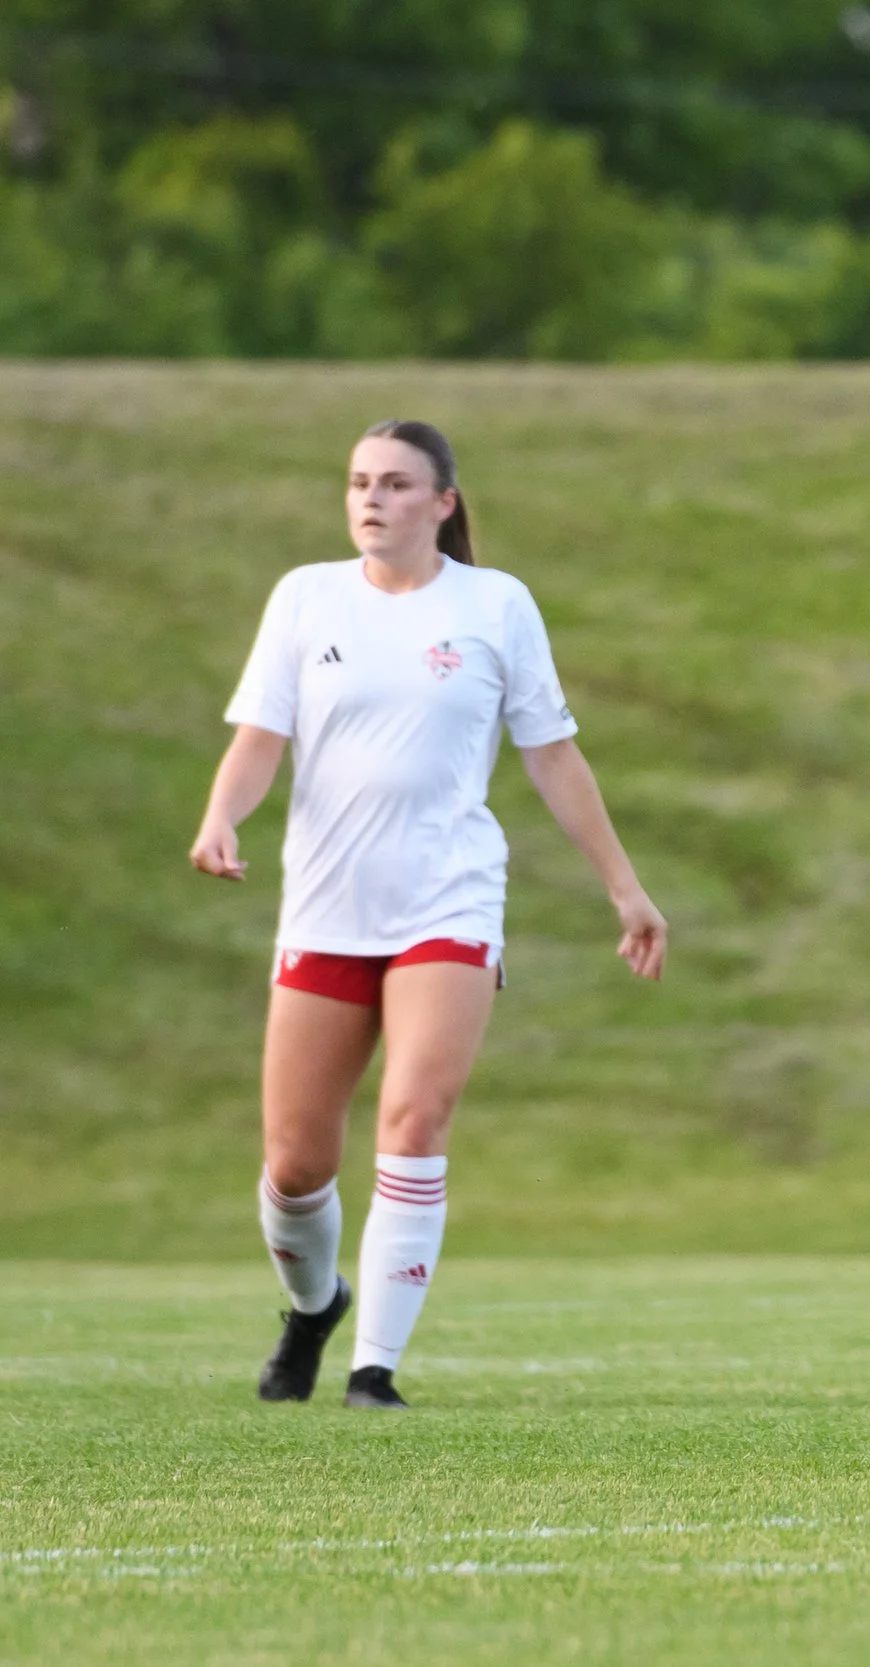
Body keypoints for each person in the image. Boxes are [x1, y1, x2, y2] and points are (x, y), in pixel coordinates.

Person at [190, 419, 667, 1410]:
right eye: (361, 482)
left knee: (414, 1118)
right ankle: (314, 1305)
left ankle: (373, 1369)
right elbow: (258, 738)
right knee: (294, 1165)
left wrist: (625, 887)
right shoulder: (305, 596)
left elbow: (551, 753)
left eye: (398, 484)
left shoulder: (495, 605)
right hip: (326, 908)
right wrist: (220, 817)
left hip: (446, 902)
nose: (373, 498)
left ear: (443, 503)